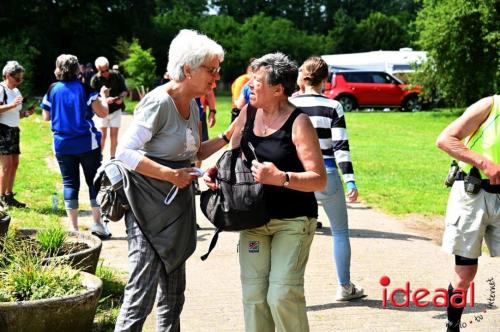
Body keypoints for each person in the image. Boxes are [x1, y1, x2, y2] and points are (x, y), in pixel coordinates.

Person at [114, 29, 233, 331]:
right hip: (147, 211)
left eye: (217, 69)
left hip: (176, 212)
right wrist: (169, 175)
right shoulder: (158, 103)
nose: (216, 76)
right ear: (188, 69)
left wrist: (228, 136)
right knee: (141, 296)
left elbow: (194, 155)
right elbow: (122, 152)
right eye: (211, 69)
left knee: (173, 296)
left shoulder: (194, 104)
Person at [205, 53, 326, 332]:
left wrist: (281, 177)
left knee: (281, 295)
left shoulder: (299, 122)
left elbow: (319, 180)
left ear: (278, 89)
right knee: (254, 298)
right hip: (253, 220)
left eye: (257, 82)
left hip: (293, 221)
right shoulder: (248, 112)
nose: (250, 86)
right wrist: (218, 174)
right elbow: (234, 155)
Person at [290, 56, 364, 301]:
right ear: (326, 79)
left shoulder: (289, 104)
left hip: (298, 177)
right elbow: (341, 145)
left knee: (293, 234)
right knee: (340, 232)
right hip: (327, 174)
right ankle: (344, 286)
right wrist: (350, 180)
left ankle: (288, 289)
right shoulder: (334, 107)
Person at [436, 95, 500, 332]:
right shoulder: (491, 106)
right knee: (464, 275)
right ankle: (452, 327)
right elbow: (445, 140)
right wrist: (485, 164)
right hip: (473, 195)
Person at [41, 54, 111, 238]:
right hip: (87, 143)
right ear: (77, 69)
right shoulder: (85, 88)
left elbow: (46, 116)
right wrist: (103, 97)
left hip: (63, 144)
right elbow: (102, 113)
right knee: (93, 182)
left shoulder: (52, 89)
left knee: (70, 183)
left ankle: (73, 229)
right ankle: (97, 224)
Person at [0, 61, 35, 208]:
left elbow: (14, 113)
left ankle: (9, 196)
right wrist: (13, 105)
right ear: (8, 75)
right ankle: (1, 198)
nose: (20, 81)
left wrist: (26, 113)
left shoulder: (16, 91)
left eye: (21, 78)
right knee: (6, 166)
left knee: (14, 164)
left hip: (14, 130)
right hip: (2, 130)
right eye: (17, 78)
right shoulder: (1, 89)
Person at [90, 56, 128, 159]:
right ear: (98, 70)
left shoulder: (117, 75)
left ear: (108, 67)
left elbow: (124, 90)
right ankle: (99, 157)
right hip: (102, 111)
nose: (105, 73)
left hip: (116, 109)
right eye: (102, 71)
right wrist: (104, 99)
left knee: (114, 135)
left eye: (106, 70)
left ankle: (113, 157)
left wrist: (121, 98)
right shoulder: (95, 79)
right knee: (102, 136)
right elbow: (92, 97)